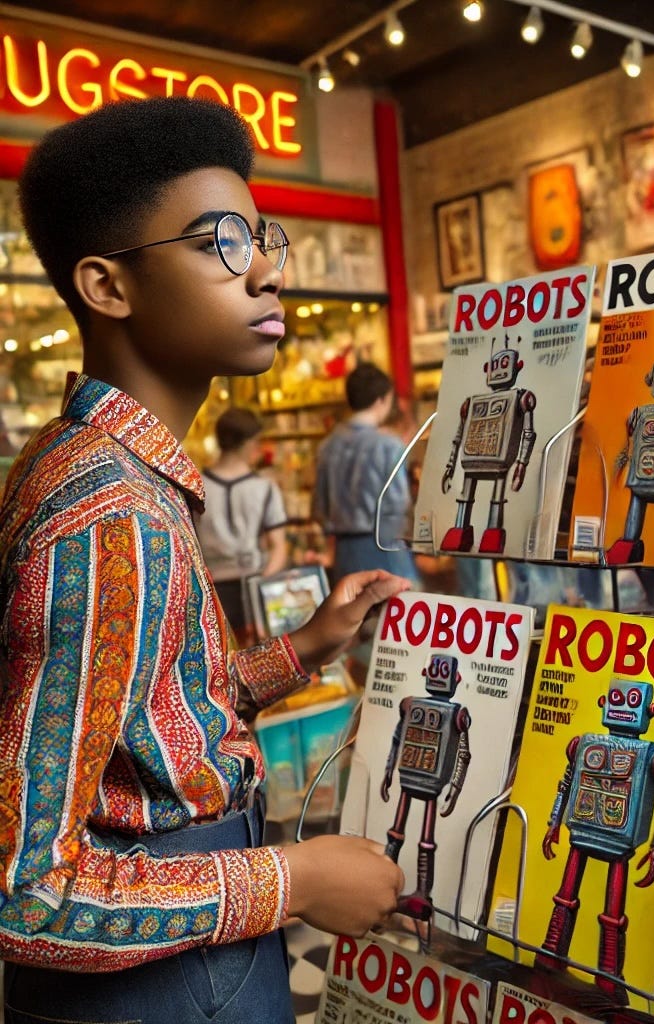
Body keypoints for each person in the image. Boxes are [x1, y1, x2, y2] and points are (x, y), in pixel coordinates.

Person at [0, 96, 409, 1023]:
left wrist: (303, 648)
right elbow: (25, 892)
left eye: (261, 236)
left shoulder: (99, 466)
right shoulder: (109, 514)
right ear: (108, 287)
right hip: (166, 984)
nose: (265, 270)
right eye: (218, 242)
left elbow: (147, 726)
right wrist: (294, 880)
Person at [313, 361, 420, 586]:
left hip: (345, 552)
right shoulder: (388, 445)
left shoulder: (327, 446)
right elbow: (398, 505)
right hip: (386, 548)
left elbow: (319, 509)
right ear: (381, 399)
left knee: (352, 615)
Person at [196, 405, 289, 641]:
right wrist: (263, 583)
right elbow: (279, 546)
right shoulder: (265, 488)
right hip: (255, 582)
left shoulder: (196, 488)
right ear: (250, 444)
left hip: (209, 590)